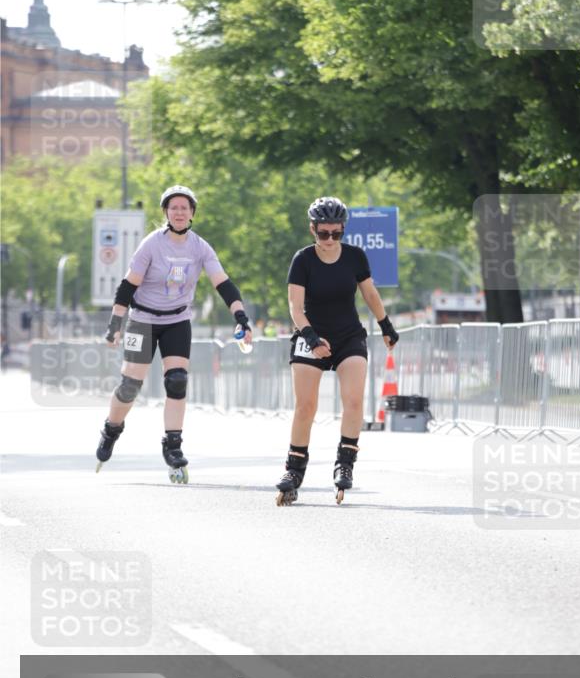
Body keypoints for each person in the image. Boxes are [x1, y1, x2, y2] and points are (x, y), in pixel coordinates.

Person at [95, 184, 252, 482]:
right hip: (142, 320)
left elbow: (223, 283)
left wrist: (241, 317)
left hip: (177, 320)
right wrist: (115, 325)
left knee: (177, 381)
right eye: (173, 207)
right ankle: (111, 429)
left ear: (192, 212)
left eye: (185, 207)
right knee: (130, 386)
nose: (179, 212)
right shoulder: (151, 244)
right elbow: (128, 286)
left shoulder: (200, 247)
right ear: (166, 212)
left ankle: (173, 445)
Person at [275, 196, 399, 505]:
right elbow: (295, 307)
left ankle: (345, 463)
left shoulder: (355, 256)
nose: (329, 240)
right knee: (306, 406)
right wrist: (313, 339)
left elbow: (369, 293)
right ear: (312, 230)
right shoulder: (302, 260)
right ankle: (294, 470)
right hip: (310, 333)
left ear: (343, 229)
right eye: (323, 234)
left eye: (336, 233)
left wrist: (385, 325)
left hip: (347, 336)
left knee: (354, 401)